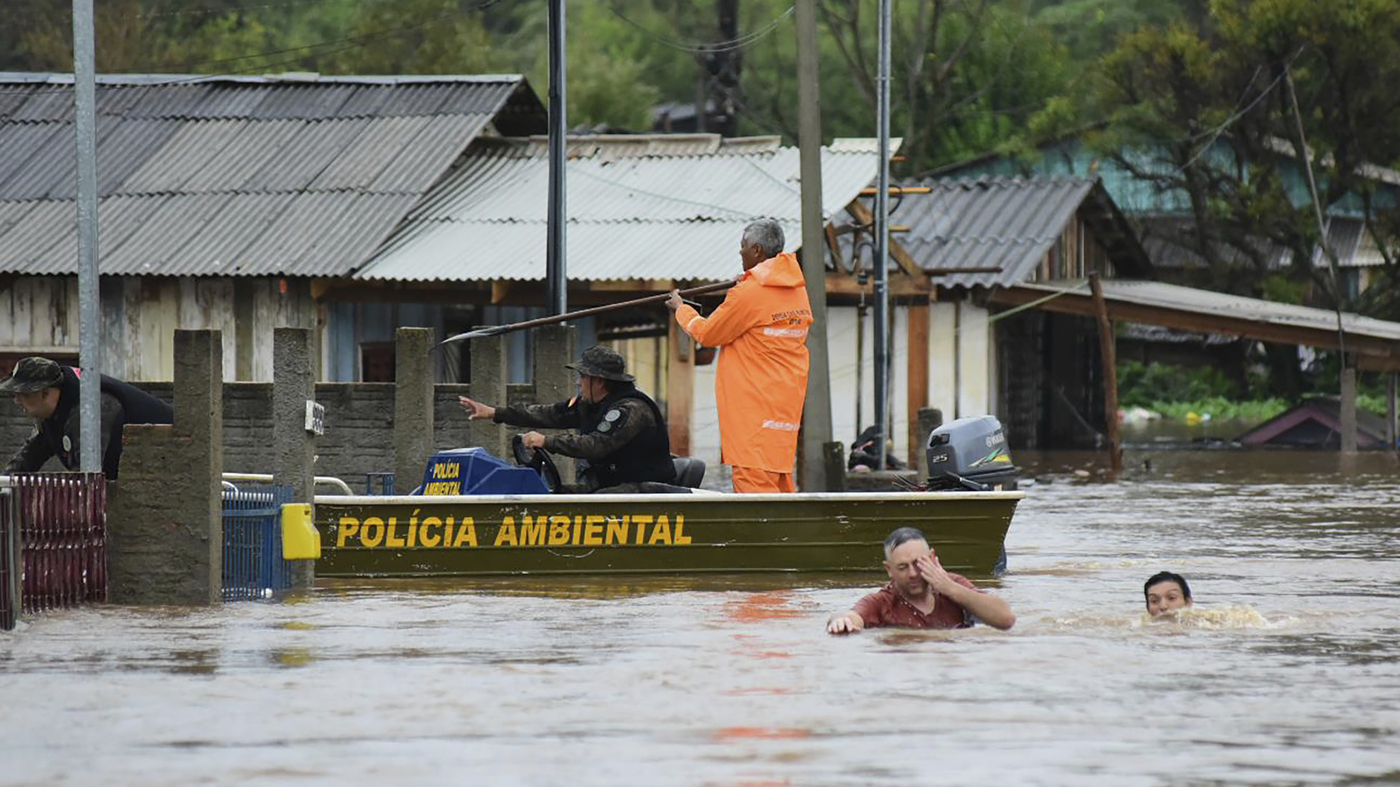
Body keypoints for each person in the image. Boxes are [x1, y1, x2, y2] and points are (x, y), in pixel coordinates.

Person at [666, 218, 813, 494]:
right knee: (781, 489)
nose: (740, 253)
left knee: (755, 498)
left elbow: (709, 333)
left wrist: (681, 309)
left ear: (757, 251)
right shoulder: (796, 290)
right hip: (782, 414)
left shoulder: (750, 292)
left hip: (753, 414)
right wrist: (744, 284)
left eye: (743, 247)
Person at [457, 345, 676, 492]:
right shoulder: (591, 404)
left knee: (587, 505)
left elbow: (595, 445)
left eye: (583, 377)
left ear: (599, 381)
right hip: (610, 483)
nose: (579, 382)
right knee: (557, 494)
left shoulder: (630, 410)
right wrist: (495, 413)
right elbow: (550, 414)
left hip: (644, 489)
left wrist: (546, 441)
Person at [2, 356, 174, 481]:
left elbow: (85, 479)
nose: (16, 401)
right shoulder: (52, 413)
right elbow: (28, 458)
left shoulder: (90, 408)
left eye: (22, 394)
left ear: (45, 392)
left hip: (169, 472)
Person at [827, 526, 1016, 633]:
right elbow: (850, 617)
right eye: (902, 567)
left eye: (918, 563)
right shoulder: (882, 602)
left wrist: (951, 589)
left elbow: (1006, 619)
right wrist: (839, 621)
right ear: (889, 570)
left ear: (932, 557)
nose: (912, 573)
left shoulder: (953, 585)